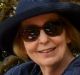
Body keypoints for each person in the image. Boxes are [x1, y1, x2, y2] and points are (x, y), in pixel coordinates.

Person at [0, 0, 80, 75]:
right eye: (30, 33)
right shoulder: (21, 72)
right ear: (22, 45)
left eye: (52, 28)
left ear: (68, 34)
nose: (43, 40)